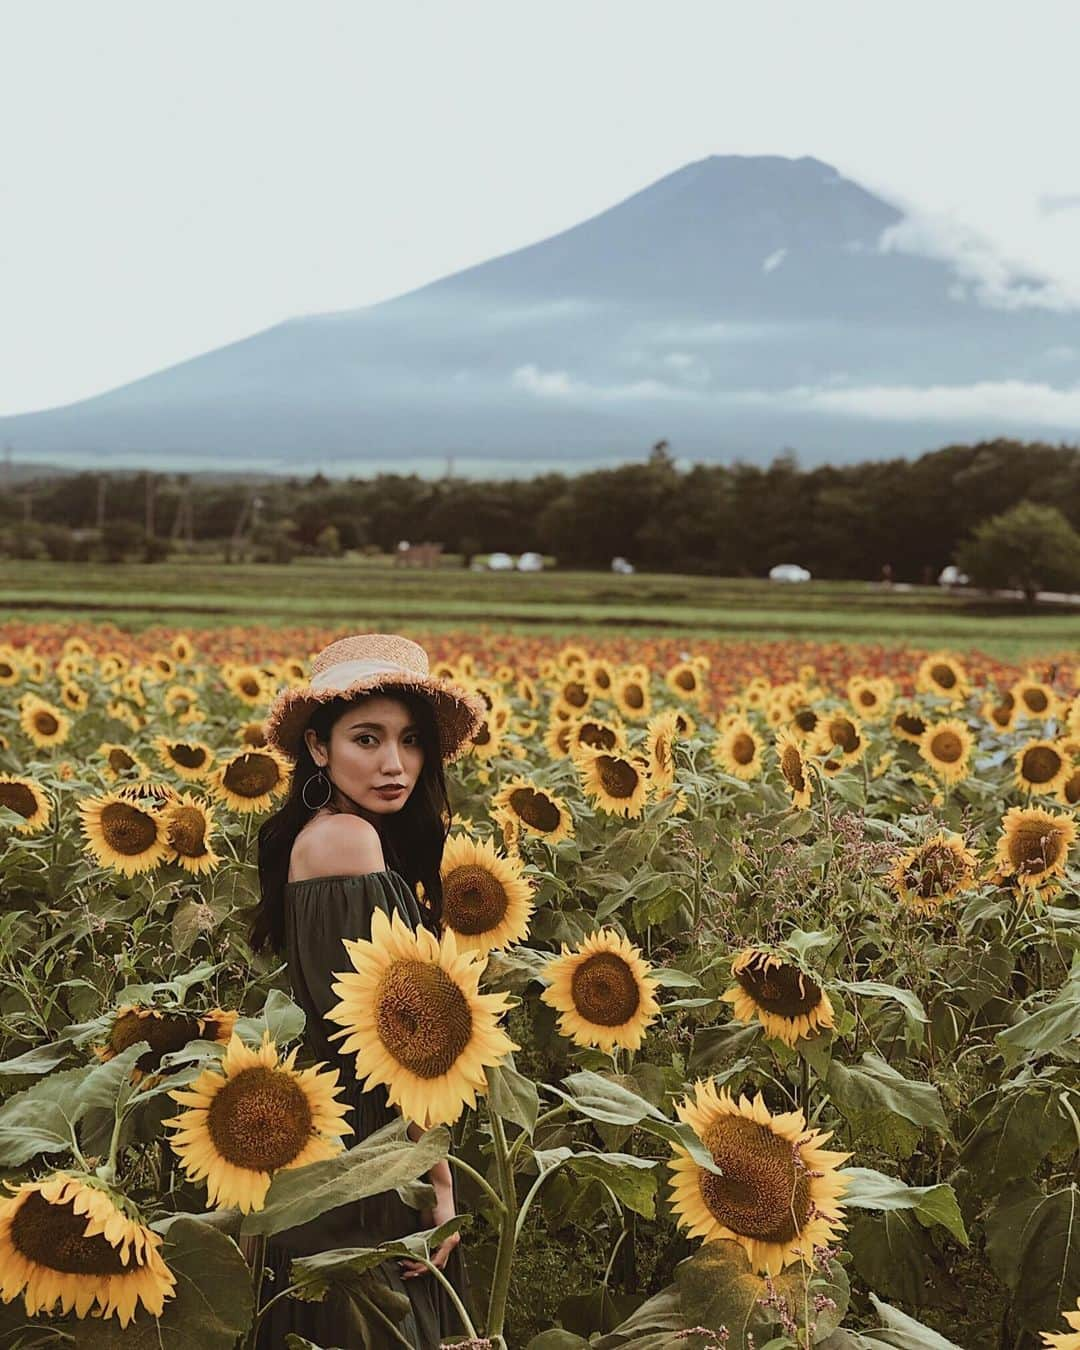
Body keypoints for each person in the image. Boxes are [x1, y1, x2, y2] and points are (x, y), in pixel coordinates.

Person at [249, 632, 487, 1349]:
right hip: (366, 1149)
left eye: (410, 740)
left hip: (339, 1146)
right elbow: (390, 1036)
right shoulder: (344, 841)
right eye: (367, 738)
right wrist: (433, 1177)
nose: (394, 763)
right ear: (317, 749)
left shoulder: (334, 833)